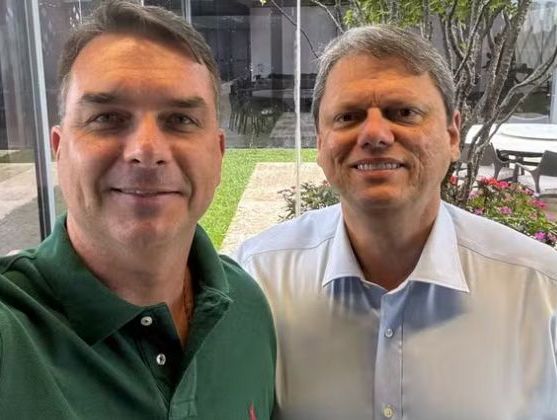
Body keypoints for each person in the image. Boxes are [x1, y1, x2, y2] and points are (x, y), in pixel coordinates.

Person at [0, 1, 276, 418]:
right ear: (59, 150)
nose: (146, 150)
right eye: (107, 117)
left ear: (218, 155)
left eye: (180, 120)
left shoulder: (246, 309)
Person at [234, 25, 557, 419]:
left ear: (452, 135)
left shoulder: (542, 294)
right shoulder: (257, 281)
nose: (374, 134)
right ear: (319, 143)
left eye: (403, 112)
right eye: (348, 116)